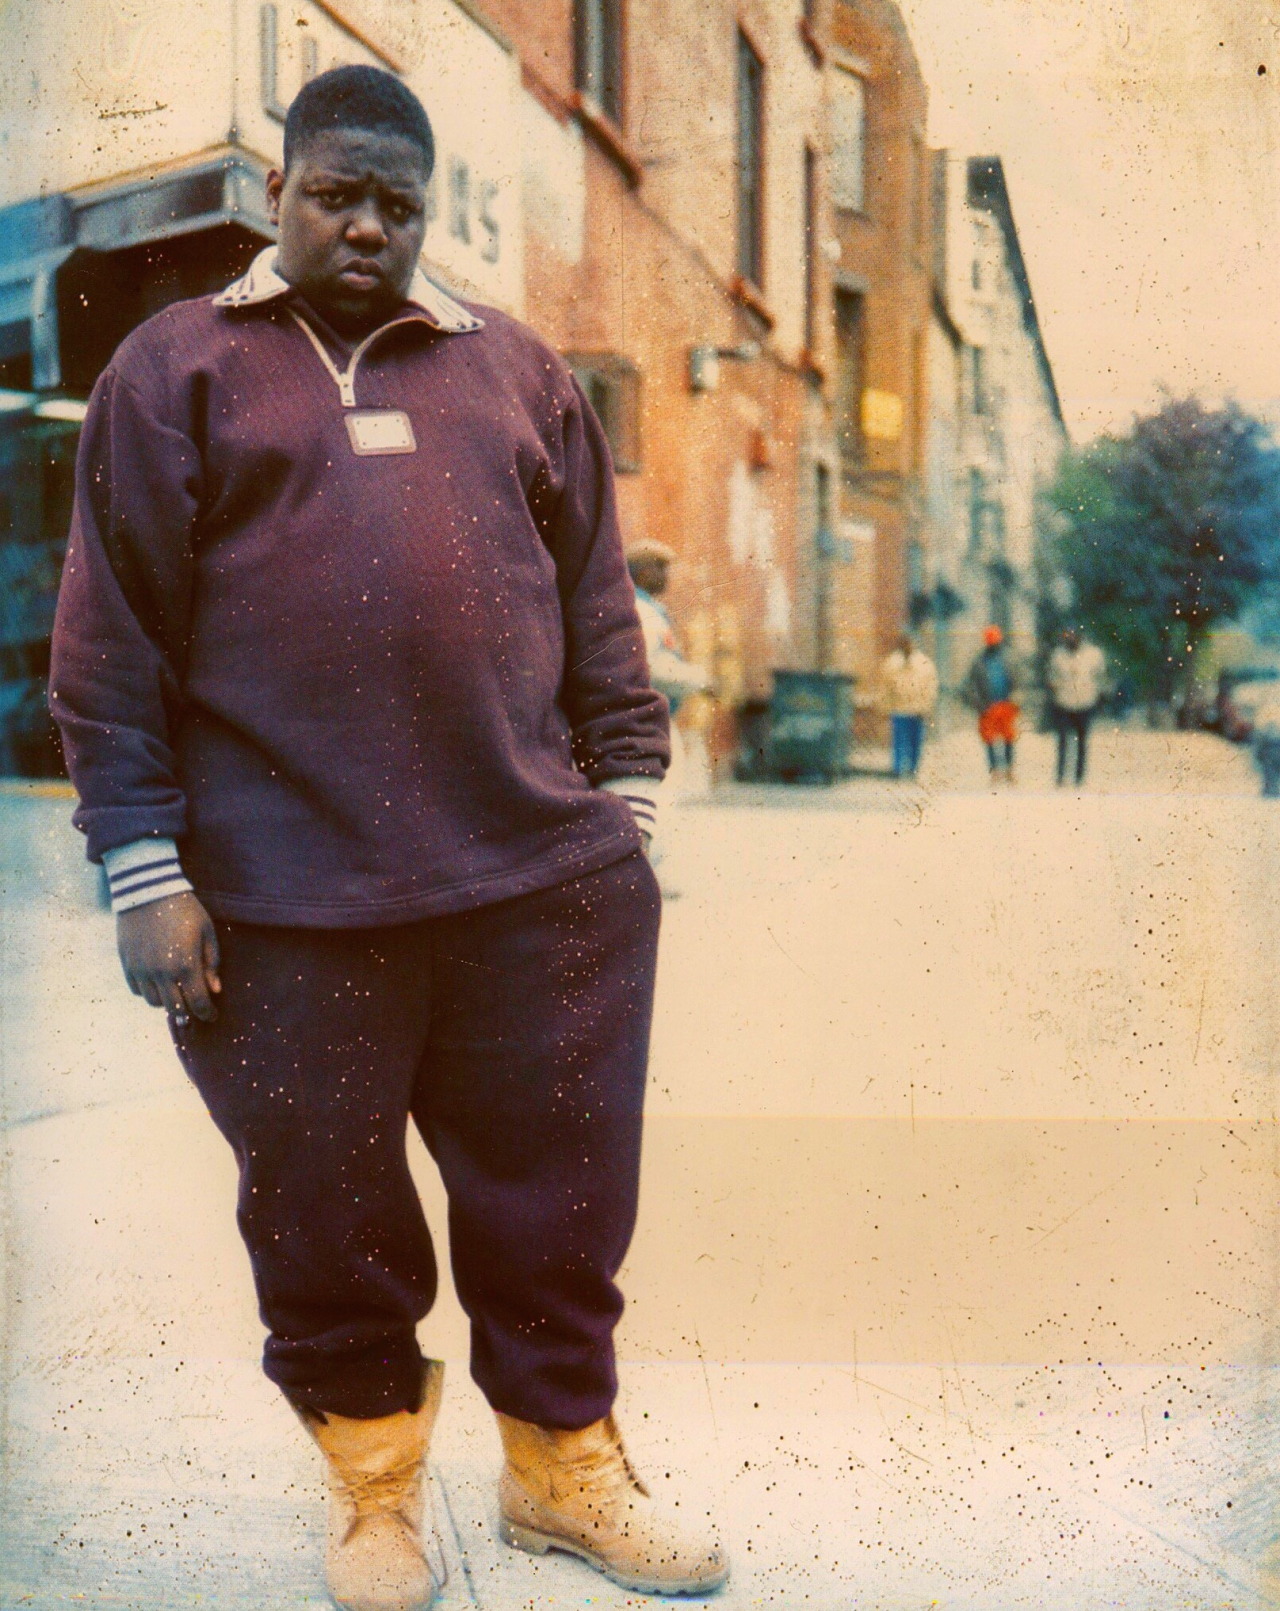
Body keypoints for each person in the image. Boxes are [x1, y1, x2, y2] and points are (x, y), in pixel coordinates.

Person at [48, 66, 727, 1611]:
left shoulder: (519, 371)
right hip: (284, 901)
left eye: (397, 205)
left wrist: (625, 816)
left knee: (557, 1203)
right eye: (337, 195)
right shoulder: (174, 368)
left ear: (427, 214)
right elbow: (109, 642)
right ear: (277, 192)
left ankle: (561, 1472)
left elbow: (600, 615)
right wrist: (144, 869)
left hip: (535, 885)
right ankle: (374, 1489)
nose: (367, 226)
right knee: (323, 1211)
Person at [1046, 628, 1106, 787]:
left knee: (1082, 742)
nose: (1071, 640)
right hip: (1064, 703)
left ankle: (1079, 777)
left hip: (1085, 702)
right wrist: (1056, 687)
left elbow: (1100, 676)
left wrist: (1096, 693)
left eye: (1074, 637)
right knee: (1063, 742)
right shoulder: (1058, 655)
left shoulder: (1093, 654)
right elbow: (1051, 676)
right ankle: (1060, 776)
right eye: (1068, 637)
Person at [879, 631, 938, 780]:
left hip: (917, 709)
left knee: (915, 741)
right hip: (899, 709)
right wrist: (886, 707)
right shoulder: (892, 663)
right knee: (899, 741)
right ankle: (898, 769)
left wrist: (926, 706)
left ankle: (912, 769)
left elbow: (930, 686)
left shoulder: (923, 663)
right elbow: (886, 687)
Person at [964, 626, 1020, 782]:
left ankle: (1009, 769)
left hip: (1006, 704)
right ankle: (994, 770)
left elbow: (1017, 680)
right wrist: (978, 703)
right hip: (987, 706)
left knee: (1009, 737)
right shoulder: (979, 661)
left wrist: (1016, 698)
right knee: (989, 739)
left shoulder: (1008, 658)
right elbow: (971, 685)